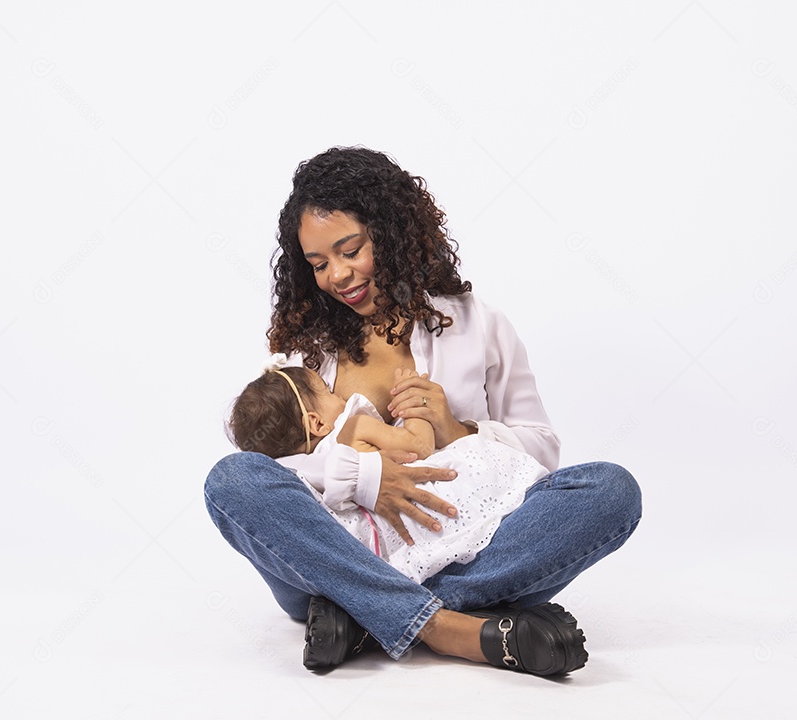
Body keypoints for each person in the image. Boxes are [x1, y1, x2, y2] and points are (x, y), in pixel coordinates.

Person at [205, 146, 642, 677]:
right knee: (231, 479)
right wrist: (364, 478)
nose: (338, 276)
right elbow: (275, 466)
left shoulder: (477, 325)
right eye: (319, 264)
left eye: (350, 250)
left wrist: (458, 430)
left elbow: (543, 451)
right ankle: (450, 629)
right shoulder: (307, 351)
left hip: (460, 547)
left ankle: (363, 617)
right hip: (335, 553)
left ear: (388, 231)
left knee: (610, 491)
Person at [228, 362, 549, 583]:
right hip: (417, 513)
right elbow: (418, 447)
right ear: (316, 423)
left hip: (374, 550)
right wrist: (412, 404)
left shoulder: (302, 475)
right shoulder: (352, 428)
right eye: (327, 391)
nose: (338, 394)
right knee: (477, 467)